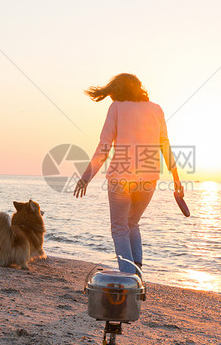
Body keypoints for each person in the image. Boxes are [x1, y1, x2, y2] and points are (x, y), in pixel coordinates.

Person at [73, 73, 183, 275]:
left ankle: (128, 275)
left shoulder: (116, 108)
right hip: (149, 178)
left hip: (121, 177)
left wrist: (86, 177)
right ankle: (137, 272)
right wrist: (176, 178)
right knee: (132, 223)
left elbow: (104, 147)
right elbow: (164, 144)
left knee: (119, 227)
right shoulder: (156, 109)